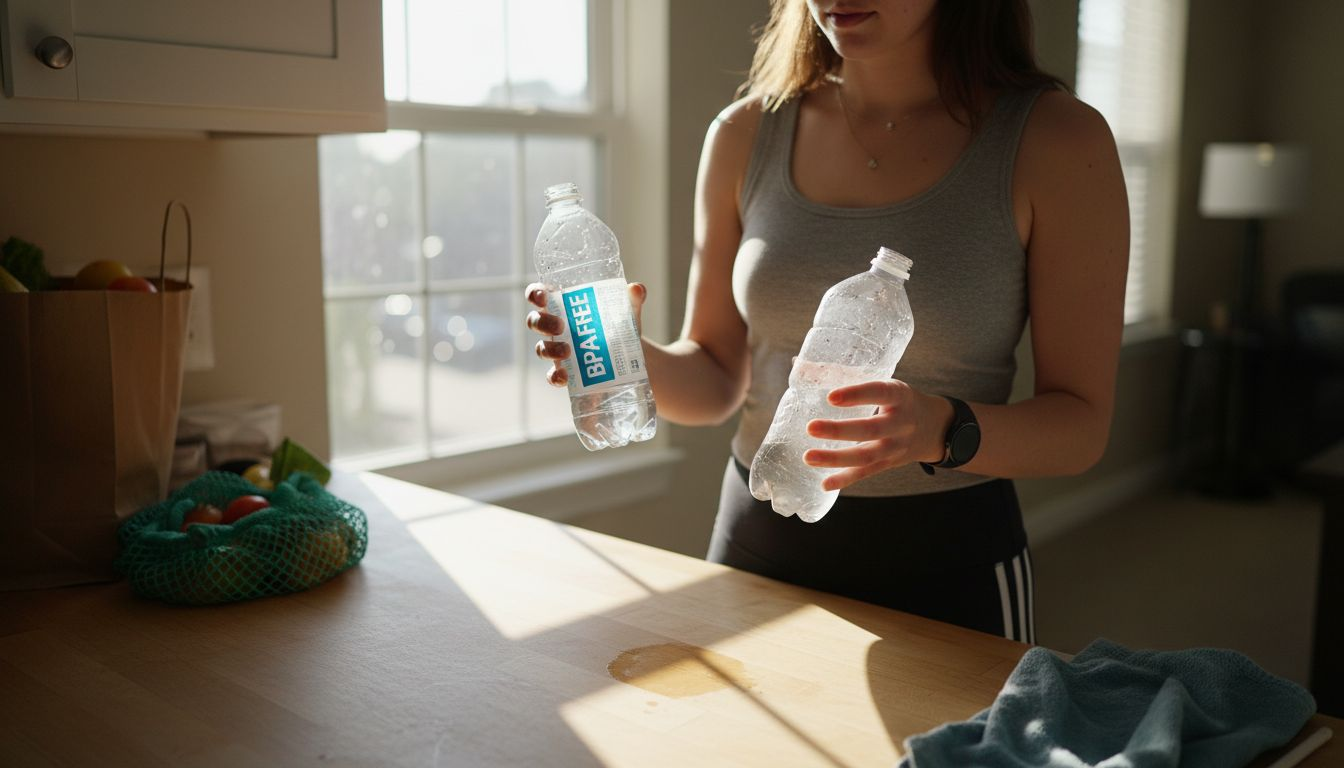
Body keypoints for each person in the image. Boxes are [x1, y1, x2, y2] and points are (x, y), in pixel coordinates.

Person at [524, 0, 1128, 644]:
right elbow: (715, 379)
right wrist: (624, 357)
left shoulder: (1059, 141)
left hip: (947, 561)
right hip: (758, 537)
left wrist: (937, 430)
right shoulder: (744, 133)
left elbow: (1080, 427)